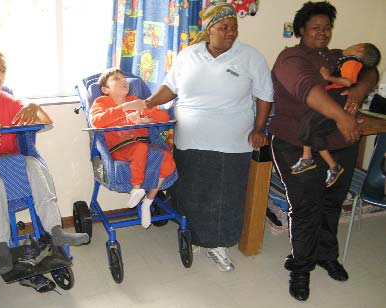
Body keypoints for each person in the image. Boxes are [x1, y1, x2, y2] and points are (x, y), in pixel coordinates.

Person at [145, 2, 273, 272]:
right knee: (191, 190)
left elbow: (265, 95)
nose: (231, 32)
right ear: (209, 29)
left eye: (234, 28)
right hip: (189, 138)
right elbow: (170, 88)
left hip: (231, 140)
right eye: (224, 27)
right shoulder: (188, 55)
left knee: (225, 195)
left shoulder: (250, 56)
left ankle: (219, 245)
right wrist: (147, 104)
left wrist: (259, 128)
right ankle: (193, 235)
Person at [268, 1, 379, 301]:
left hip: (338, 145)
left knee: (333, 202)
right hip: (296, 143)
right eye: (316, 27)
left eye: (327, 27)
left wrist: (359, 90)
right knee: (306, 206)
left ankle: (326, 254)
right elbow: (309, 90)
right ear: (301, 29)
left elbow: (370, 70)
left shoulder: (337, 57)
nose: (323, 32)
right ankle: (301, 267)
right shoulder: (290, 58)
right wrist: (343, 116)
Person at [0, 50, 89, 290]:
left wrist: (34, 106)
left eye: (2, 69)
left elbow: (48, 123)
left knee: (36, 166)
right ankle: (2, 246)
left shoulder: (11, 102)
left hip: (13, 161)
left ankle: (55, 231)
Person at [89, 68, 176, 228]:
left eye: (124, 78)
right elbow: (96, 121)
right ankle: (136, 189)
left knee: (166, 157)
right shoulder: (101, 103)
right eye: (117, 79)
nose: (124, 81)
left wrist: (145, 120)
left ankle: (148, 202)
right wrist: (125, 108)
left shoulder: (136, 100)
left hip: (143, 146)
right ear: (105, 90)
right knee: (141, 149)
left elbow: (164, 117)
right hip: (119, 150)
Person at [291, 42, 381, 188]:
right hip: (322, 133)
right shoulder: (325, 57)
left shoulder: (349, 60)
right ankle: (327, 164)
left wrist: (359, 91)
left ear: (359, 50)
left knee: (308, 124)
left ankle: (312, 159)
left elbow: (370, 73)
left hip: (339, 127)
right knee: (310, 129)